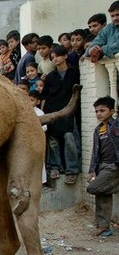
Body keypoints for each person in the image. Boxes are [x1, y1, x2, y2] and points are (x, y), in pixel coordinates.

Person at [41, 45, 80, 184]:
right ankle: (55, 168)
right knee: (53, 142)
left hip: (69, 112)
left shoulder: (74, 72)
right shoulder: (51, 76)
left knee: (69, 138)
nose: (55, 59)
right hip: (53, 113)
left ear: (65, 56)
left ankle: (72, 170)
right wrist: (44, 114)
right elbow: (45, 96)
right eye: (53, 57)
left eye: (57, 56)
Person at [86, 96, 119, 238]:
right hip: (102, 166)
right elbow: (95, 152)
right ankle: (104, 227)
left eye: (102, 110)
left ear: (112, 111)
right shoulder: (98, 129)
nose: (98, 114)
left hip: (114, 166)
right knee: (102, 194)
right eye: (96, 111)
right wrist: (92, 170)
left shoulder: (117, 126)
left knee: (93, 188)